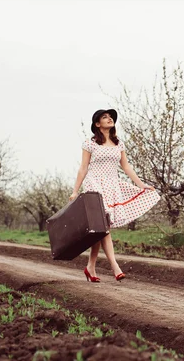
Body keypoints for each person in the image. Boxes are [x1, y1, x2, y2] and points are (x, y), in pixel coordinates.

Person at [70, 109, 160, 282]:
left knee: (100, 228)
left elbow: (126, 167)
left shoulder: (119, 144)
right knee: (103, 225)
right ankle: (114, 266)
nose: (109, 118)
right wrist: (75, 191)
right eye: (105, 117)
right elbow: (83, 167)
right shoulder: (90, 143)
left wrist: (141, 185)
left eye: (110, 117)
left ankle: (90, 267)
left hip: (112, 186)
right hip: (94, 185)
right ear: (97, 124)